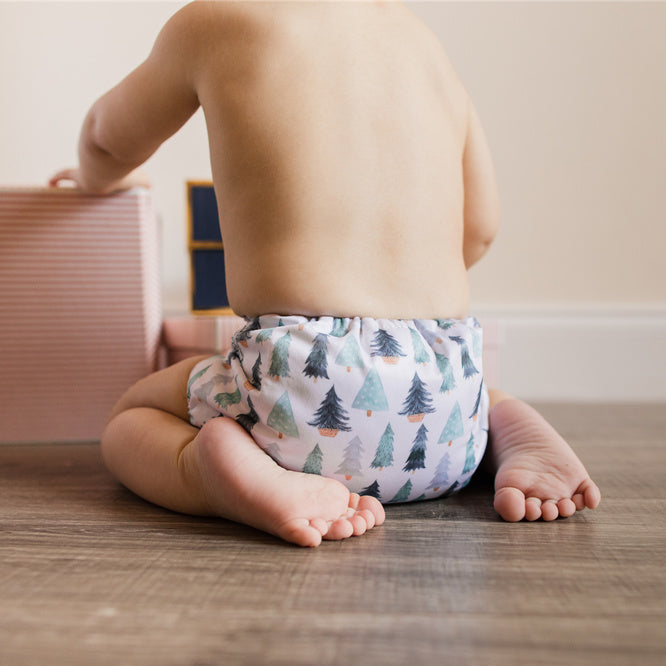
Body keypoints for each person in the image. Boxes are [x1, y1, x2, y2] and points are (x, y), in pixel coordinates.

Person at [51, 0, 600, 547]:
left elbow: (107, 136)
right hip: (444, 399)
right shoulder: (421, 43)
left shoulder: (212, 22)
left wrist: (94, 179)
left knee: (133, 417)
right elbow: (479, 229)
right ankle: (501, 427)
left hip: (303, 382)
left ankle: (212, 473)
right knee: (478, 392)